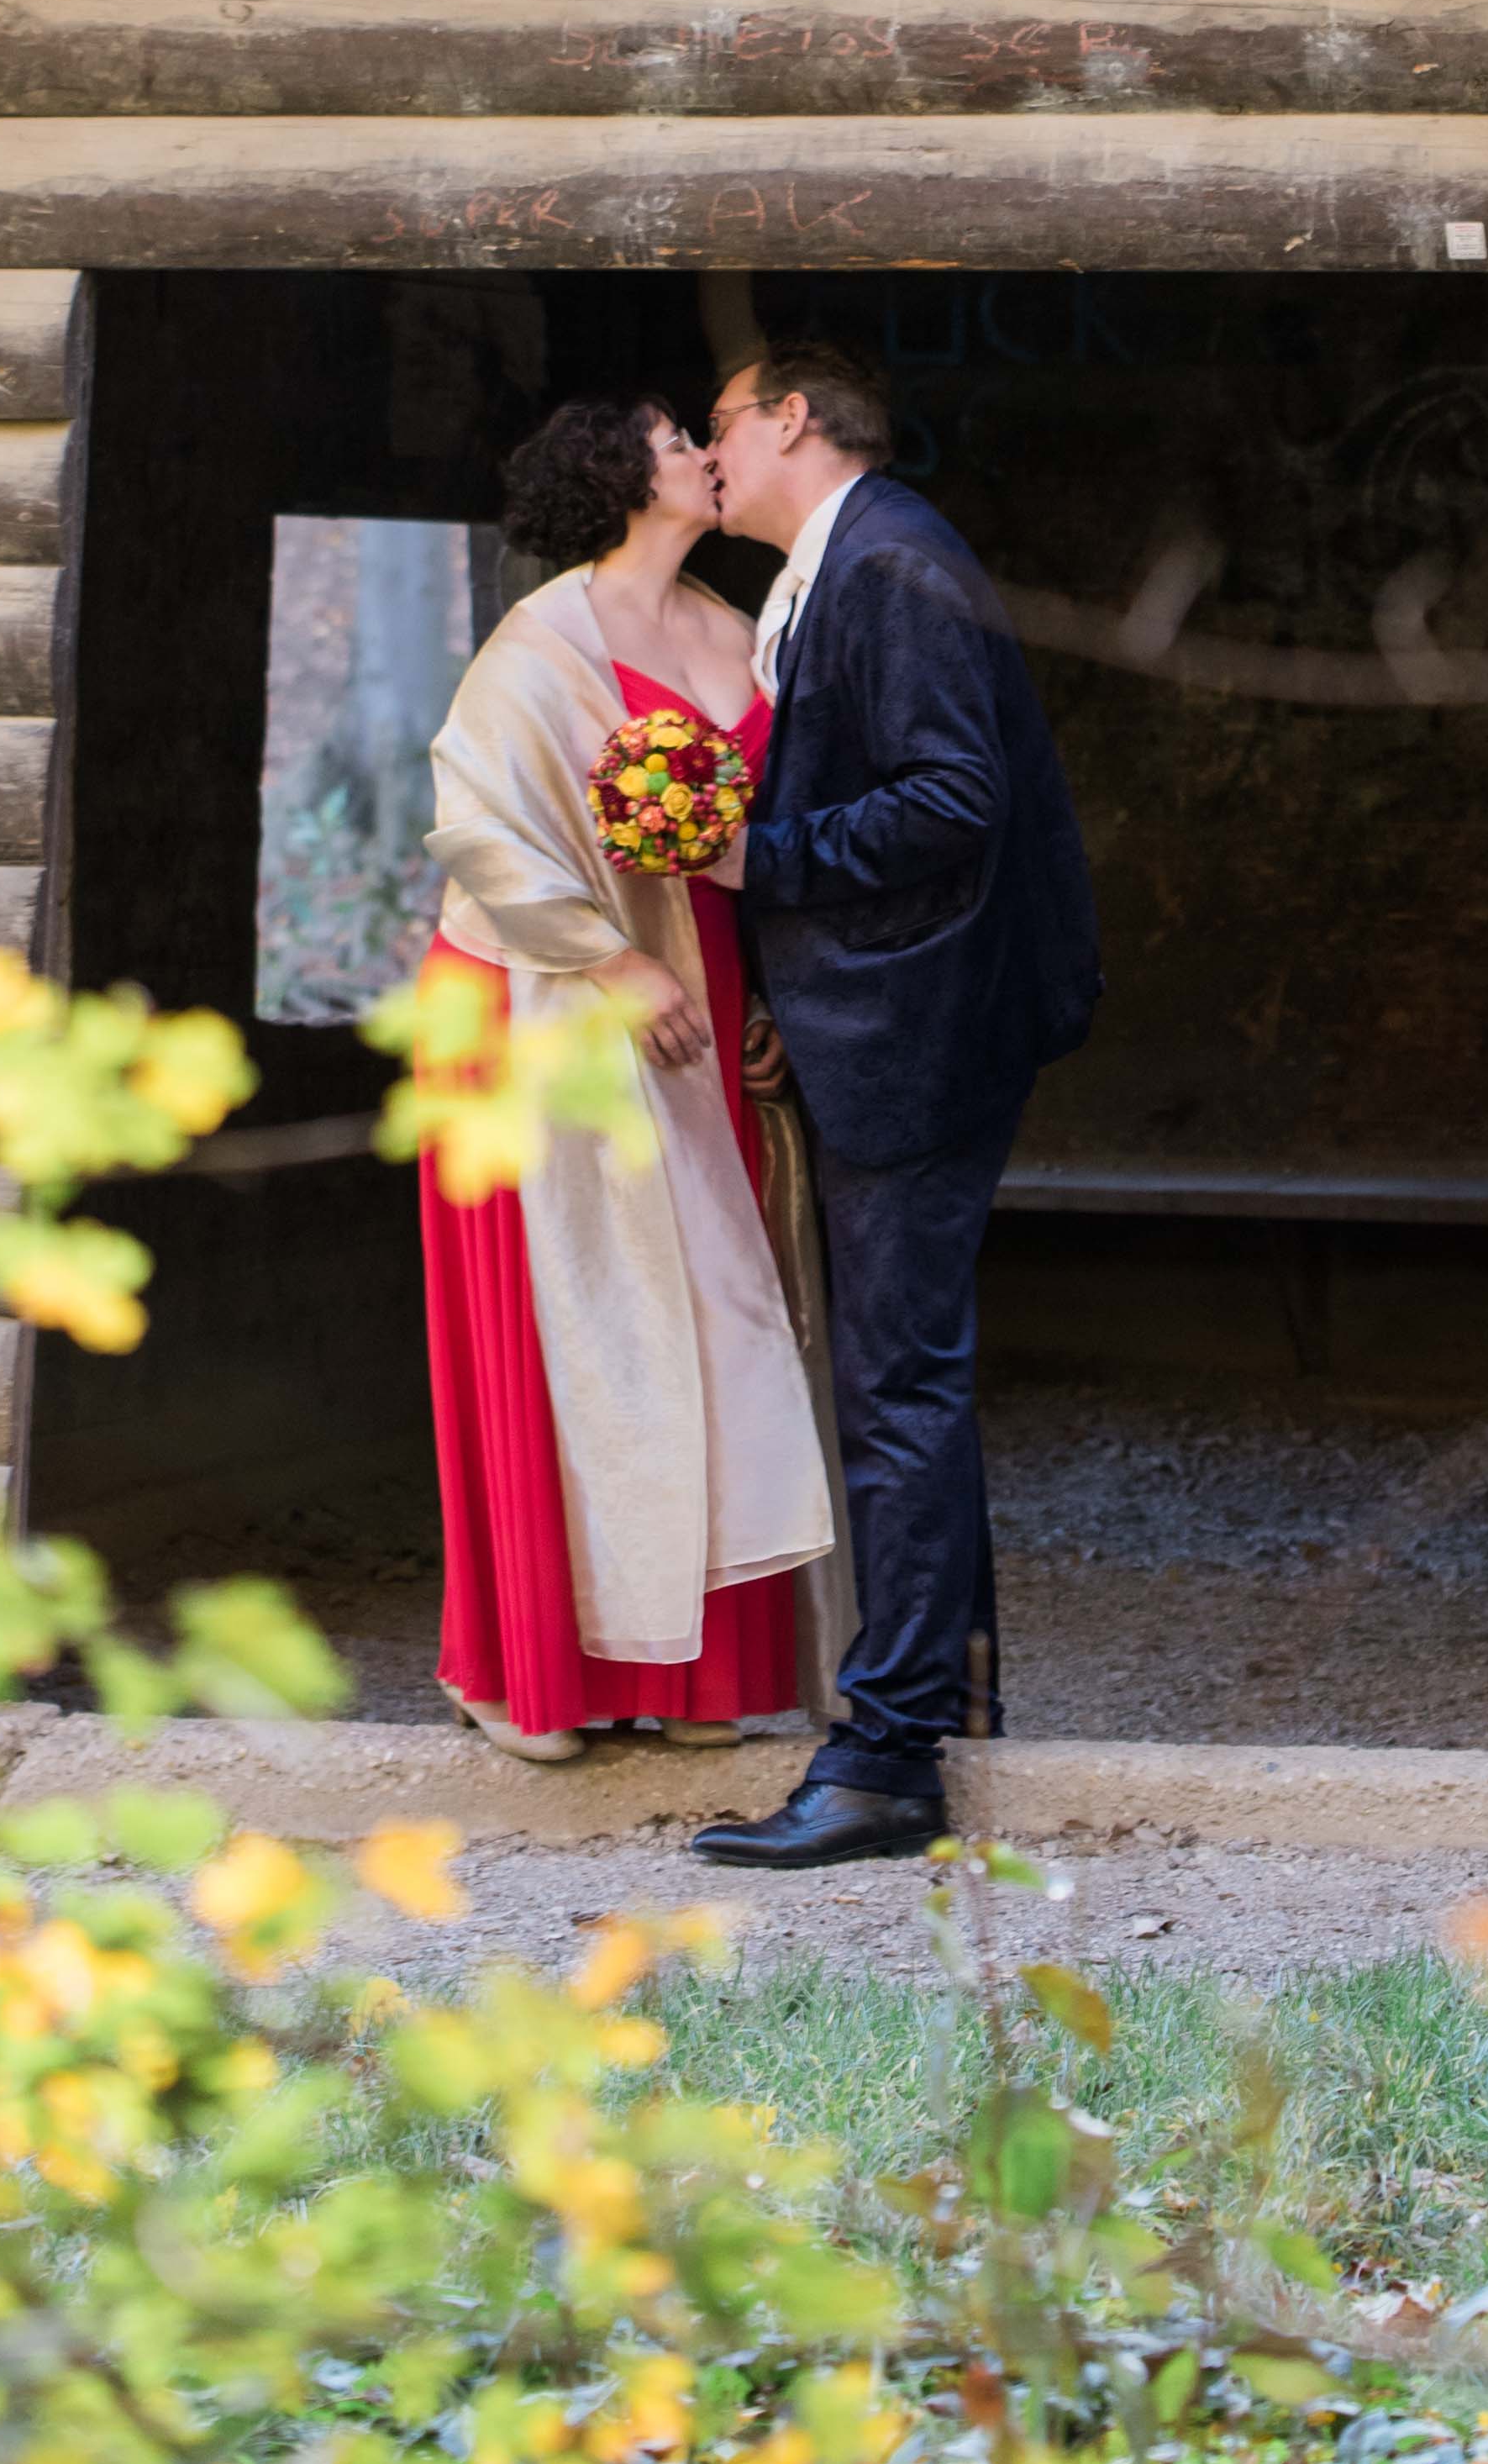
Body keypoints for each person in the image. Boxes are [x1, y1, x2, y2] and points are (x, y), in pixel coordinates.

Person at [689, 341, 1100, 1874]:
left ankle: (886, 1759)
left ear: (793, 417)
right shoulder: (843, 563)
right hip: (875, 1024)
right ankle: (945, 1705)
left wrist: (761, 863)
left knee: (897, 1388)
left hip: (922, 1036)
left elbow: (952, 798)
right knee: (902, 1380)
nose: (710, 455)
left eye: (722, 424)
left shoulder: (893, 563)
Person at [414, 392, 837, 1759]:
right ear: (618, 477)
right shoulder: (540, 643)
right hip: (538, 1001)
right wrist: (609, 962)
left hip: (703, 994)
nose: (705, 457)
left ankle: (698, 1675)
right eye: (675, 443)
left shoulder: (738, 630)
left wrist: (767, 997)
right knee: (567, 1332)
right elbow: (476, 827)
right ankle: (522, 1672)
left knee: (710, 1319)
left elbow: (775, 837)